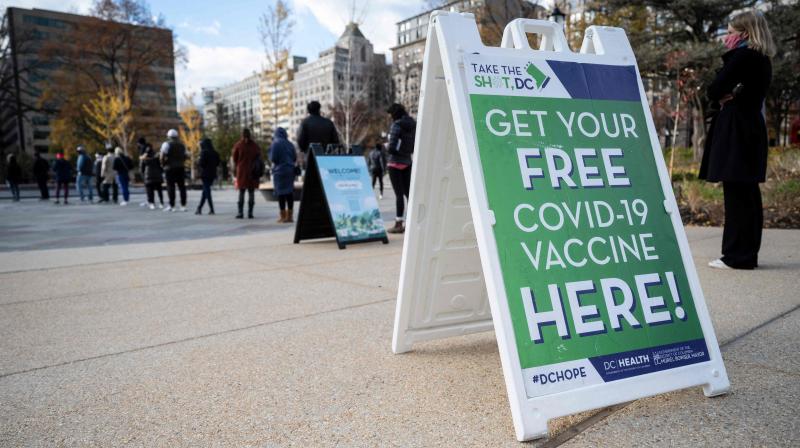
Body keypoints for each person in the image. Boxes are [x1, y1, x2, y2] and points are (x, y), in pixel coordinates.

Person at [700, 11, 775, 270]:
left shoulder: (743, 56)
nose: (727, 38)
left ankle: (735, 257)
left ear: (743, 33)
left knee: (736, 193)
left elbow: (714, 88)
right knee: (748, 193)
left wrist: (724, 94)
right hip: (752, 128)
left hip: (737, 130)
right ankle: (746, 254)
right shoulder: (763, 59)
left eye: (730, 32)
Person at [385, 103, 416, 234]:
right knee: (409, 194)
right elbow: (414, 145)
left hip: (395, 164)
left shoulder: (396, 125)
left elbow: (392, 147)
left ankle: (399, 224)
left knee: (399, 195)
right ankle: (412, 222)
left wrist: (386, 146)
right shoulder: (413, 125)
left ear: (394, 114)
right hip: (408, 162)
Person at [232, 128, 262, 219]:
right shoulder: (255, 146)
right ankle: (250, 213)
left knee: (241, 192)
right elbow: (259, 156)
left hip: (241, 172)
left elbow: (234, 158)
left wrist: (239, 164)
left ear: (242, 135)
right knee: (251, 192)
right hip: (253, 171)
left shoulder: (238, 145)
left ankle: (240, 213)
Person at [269, 127, 297, 223]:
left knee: (281, 194)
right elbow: (294, 157)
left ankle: (283, 216)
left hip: (279, 171)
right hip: (290, 170)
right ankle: (290, 216)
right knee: (289, 193)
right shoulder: (290, 144)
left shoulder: (275, 143)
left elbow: (273, 158)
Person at [160, 129, 189, 212]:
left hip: (169, 168)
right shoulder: (182, 145)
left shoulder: (166, 144)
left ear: (168, 136)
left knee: (170, 187)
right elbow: (186, 155)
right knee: (182, 187)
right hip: (180, 167)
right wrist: (182, 161)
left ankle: (172, 205)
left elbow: (162, 155)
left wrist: (162, 164)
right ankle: (183, 205)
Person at [196, 137, 220, 215]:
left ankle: (211, 208)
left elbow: (201, 164)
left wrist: (199, 159)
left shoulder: (204, 152)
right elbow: (217, 163)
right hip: (212, 174)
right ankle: (199, 208)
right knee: (205, 191)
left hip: (205, 174)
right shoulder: (215, 152)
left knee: (207, 191)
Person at [140, 144, 164, 210]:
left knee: (150, 191)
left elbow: (142, 168)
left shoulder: (144, 159)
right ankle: (161, 203)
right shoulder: (157, 158)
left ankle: (152, 203)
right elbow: (161, 167)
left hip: (148, 176)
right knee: (159, 190)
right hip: (157, 176)